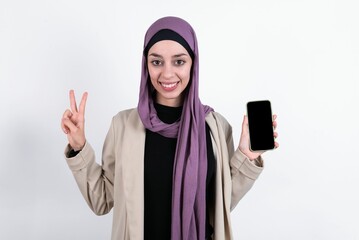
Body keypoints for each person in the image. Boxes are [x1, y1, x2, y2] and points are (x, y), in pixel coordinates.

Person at [61, 16, 279, 240]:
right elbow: (102, 200)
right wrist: (79, 148)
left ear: (193, 63)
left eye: (179, 61)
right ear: (146, 64)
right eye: (157, 62)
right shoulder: (123, 126)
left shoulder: (215, 127)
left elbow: (219, 205)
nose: (167, 74)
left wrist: (246, 156)